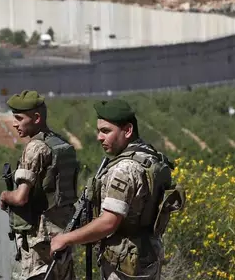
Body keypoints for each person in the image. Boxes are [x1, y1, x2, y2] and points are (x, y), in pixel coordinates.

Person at [49, 99, 185, 280]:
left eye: (106, 131)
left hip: (125, 265)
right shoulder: (149, 157)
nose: (99, 137)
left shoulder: (124, 169)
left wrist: (65, 239)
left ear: (127, 130)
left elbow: (108, 222)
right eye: (99, 131)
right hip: (145, 257)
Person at [0, 90, 79, 280]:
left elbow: (20, 197)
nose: (14, 123)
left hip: (40, 237)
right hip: (63, 231)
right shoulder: (59, 143)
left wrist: (4, 196)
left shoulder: (35, 148)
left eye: (19, 118)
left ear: (36, 118)